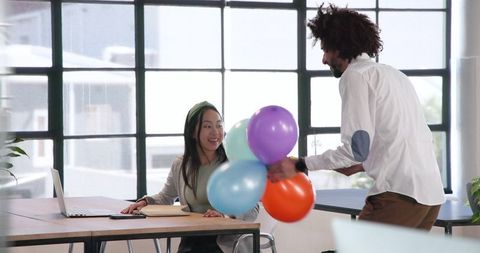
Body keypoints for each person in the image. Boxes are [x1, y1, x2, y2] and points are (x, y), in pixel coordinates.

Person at [268, 3, 445, 230]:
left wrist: (300, 164)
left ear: (340, 48)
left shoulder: (355, 77)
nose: (324, 59)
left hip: (399, 194)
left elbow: (355, 149)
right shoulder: (395, 75)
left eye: (326, 50)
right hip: (430, 196)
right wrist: (364, 164)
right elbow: (404, 138)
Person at [122, 101, 259, 253]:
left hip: (225, 244)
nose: (215, 132)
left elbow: (253, 207)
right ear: (193, 132)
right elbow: (166, 197)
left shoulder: (233, 162)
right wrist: (146, 202)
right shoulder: (181, 165)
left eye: (219, 125)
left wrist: (225, 215)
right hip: (191, 242)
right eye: (207, 126)